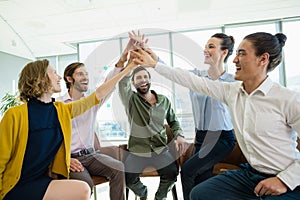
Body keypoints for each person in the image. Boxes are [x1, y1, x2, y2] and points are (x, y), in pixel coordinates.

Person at [131, 32, 300, 199]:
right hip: (249, 172)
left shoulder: (287, 99)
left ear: (263, 59)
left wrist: (285, 180)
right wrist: (154, 63)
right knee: (200, 190)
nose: (235, 59)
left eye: (242, 53)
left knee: (191, 171)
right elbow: (187, 78)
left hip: (284, 176)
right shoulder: (231, 91)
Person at [0, 58, 136, 200]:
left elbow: (99, 94)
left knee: (82, 189)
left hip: (41, 182)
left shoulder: (61, 111)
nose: (59, 77)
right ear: (40, 78)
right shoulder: (14, 115)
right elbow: (1, 158)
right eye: (54, 73)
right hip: (16, 184)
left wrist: (128, 68)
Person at [117, 55, 188, 199]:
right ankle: (143, 193)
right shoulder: (131, 100)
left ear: (149, 80)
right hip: (137, 150)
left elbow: (173, 122)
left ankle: (159, 197)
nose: (142, 80)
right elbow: (121, 83)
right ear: (133, 82)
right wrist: (131, 64)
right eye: (138, 78)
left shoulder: (164, 101)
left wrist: (179, 135)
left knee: (172, 173)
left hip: (160, 149)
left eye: (145, 77)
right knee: (127, 178)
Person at [179, 33, 237, 200]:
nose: (205, 50)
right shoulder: (196, 77)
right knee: (201, 180)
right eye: (206, 46)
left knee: (188, 171)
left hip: (222, 139)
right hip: (201, 137)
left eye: (211, 46)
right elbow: (171, 71)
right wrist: (149, 55)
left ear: (224, 52)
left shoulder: (232, 82)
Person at [56, 62, 125, 200]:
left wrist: (122, 62)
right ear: (69, 79)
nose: (85, 77)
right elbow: (52, 139)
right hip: (72, 159)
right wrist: (66, 159)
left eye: (86, 74)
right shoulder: (58, 105)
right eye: (80, 74)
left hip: (92, 155)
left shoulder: (91, 102)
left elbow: (108, 84)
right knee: (85, 185)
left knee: (119, 168)